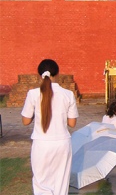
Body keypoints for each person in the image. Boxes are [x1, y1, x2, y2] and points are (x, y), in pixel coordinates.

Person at [21, 59, 79, 195]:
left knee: (41, 184)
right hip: (62, 143)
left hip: (41, 144)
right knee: (61, 183)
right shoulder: (68, 94)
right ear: (57, 74)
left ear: (39, 75)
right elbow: (72, 123)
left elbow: (25, 121)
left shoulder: (33, 94)